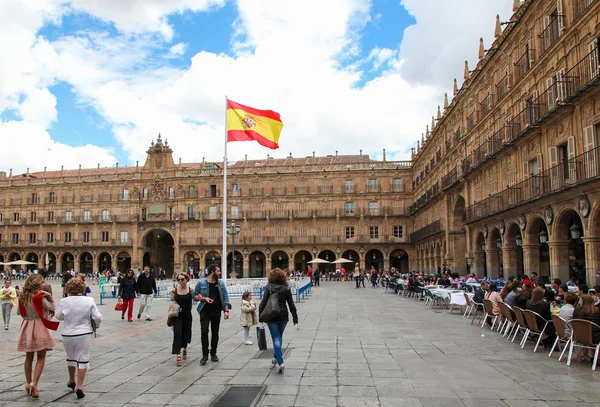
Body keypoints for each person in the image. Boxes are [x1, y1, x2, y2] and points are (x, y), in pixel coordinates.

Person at [55, 278, 102, 399]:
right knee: (83, 359)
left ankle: (71, 380)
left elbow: (59, 316)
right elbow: (98, 317)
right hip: (84, 333)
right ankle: (80, 386)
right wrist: (96, 325)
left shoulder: (64, 301)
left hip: (68, 334)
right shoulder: (89, 300)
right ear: (82, 288)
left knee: (71, 357)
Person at [18, 274, 58, 399]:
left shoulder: (23, 297)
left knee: (28, 357)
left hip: (27, 326)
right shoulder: (40, 297)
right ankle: (34, 384)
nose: (44, 284)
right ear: (36, 284)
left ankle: (28, 383)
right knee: (41, 357)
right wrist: (50, 297)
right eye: (42, 282)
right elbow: (52, 308)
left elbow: (20, 312)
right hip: (40, 326)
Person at [258, 268, 298, 374]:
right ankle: (275, 357)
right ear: (282, 277)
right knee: (279, 337)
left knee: (276, 338)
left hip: (272, 315)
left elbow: (263, 302)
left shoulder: (268, 287)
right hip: (283, 315)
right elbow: (291, 304)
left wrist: (260, 315)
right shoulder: (286, 288)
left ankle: (281, 362)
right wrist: (295, 316)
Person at [193, 265, 231, 365]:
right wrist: (203, 298)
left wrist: (226, 311)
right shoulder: (201, 282)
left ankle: (213, 353)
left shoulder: (221, 283)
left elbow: (225, 297)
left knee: (215, 332)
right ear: (212, 272)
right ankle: (205, 354)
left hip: (216, 311)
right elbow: (195, 296)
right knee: (204, 331)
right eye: (218, 271)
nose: (220, 273)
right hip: (204, 310)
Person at [171, 272, 193, 367]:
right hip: (177, 315)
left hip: (187, 315)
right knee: (177, 333)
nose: (180, 281)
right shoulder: (175, 290)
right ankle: (178, 355)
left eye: (182, 279)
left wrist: (203, 298)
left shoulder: (191, 290)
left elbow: (196, 298)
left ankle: (185, 347)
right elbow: (172, 302)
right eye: (178, 279)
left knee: (186, 333)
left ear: (187, 279)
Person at [573, 294, 600, 362]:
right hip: (594, 337)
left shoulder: (577, 310)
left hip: (578, 336)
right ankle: (596, 357)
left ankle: (587, 354)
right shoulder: (596, 311)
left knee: (590, 332)